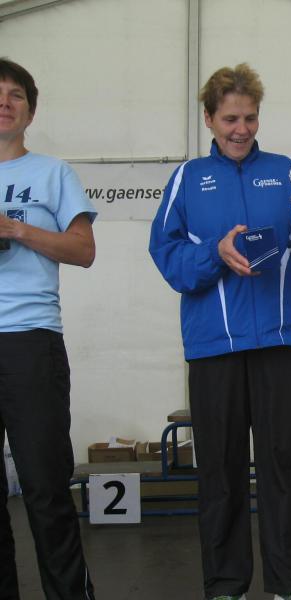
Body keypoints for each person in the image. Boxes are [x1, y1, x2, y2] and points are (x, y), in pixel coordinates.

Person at [149, 63, 291, 600]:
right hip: (214, 346)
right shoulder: (187, 179)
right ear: (208, 118)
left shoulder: (288, 172)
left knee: (283, 466)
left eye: (250, 118)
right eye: (230, 119)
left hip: (283, 340)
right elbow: (168, 258)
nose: (241, 129)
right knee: (220, 472)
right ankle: (226, 585)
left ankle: (290, 585)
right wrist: (216, 252)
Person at [0, 58, 97, 599]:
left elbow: (83, 250)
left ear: (30, 112)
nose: (5, 103)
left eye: (16, 95)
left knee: (45, 488)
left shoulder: (52, 174)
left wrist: (17, 230)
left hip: (30, 340)